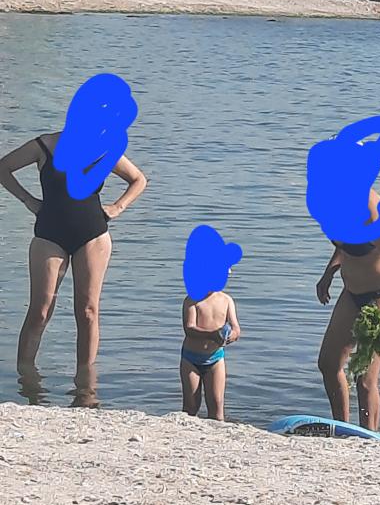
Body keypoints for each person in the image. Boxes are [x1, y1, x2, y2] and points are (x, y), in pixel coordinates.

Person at [0, 132, 147, 372]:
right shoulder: (44, 145)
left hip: (92, 235)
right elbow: (3, 168)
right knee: (40, 311)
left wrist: (118, 207)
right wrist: (28, 200)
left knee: (88, 312)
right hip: (49, 234)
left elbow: (138, 179)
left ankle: (85, 385)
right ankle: (26, 381)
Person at [316, 187, 380, 432]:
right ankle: (342, 428)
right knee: (328, 363)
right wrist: (329, 273)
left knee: (365, 376)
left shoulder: (368, 200)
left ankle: (369, 437)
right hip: (352, 293)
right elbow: (344, 243)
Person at [180, 289, 241, 420]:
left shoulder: (226, 300)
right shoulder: (192, 300)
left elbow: (236, 328)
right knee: (190, 407)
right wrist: (211, 335)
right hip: (191, 360)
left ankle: (218, 431)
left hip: (215, 359)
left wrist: (231, 335)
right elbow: (189, 329)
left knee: (216, 407)